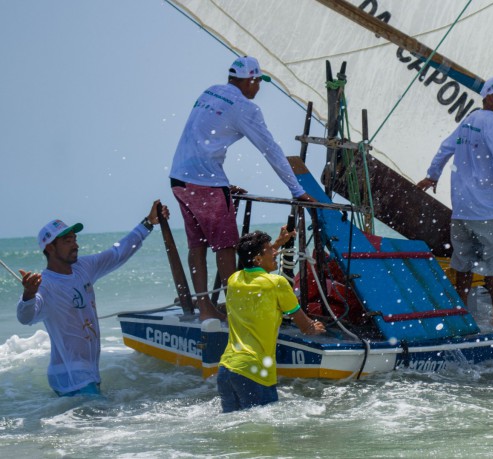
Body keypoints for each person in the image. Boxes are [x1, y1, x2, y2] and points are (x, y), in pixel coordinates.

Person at [169, 55, 314, 321]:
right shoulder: (244, 107)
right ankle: (238, 308)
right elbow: (270, 149)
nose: (258, 89)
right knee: (225, 247)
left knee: (197, 246)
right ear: (250, 79)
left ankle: (205, 309)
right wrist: (296, 190)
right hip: (207, 183)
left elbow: (202, 137)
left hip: (180, 179)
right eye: (258, 82)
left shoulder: (211, 91)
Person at [17, 201, 169, 397]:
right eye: (67, 241)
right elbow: (26, 317)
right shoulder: (45, 284)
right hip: (71, 376)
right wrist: (28, 295)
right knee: (103, 422)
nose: (75, 244)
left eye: (74, 239)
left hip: (86, 373)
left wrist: (147, 223)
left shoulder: (83, 267)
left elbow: (117, 253)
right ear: (50, 248)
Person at [416, 75, 493, 330]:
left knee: (463, 262)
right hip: (488, 210)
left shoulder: (469, 121)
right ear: (489, 98)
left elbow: (445, 148)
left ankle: (462, 311)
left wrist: (431, 176)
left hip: (462, 210)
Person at [218, 228, 325, 413]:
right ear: (258, 258)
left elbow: (250, 262)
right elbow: (305, 327)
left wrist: (276, 244)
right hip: (254, 372)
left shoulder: (234, 279)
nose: (275, 253)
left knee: (236, 434)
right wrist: (315, 327)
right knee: (262, 437)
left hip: (227, 370)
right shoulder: (276, 283)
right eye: (270, 250)